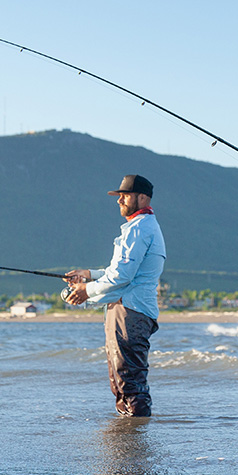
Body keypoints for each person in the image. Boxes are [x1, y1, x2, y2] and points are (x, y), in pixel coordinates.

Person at [64, 174, 167, 417]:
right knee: (122, 380)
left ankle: (133, 444)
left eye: (125, 195)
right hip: (127, 311)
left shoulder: (140, 228)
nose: (119, 200)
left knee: (129, 382)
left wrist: (85, 291)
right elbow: (119, 272)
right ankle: (128, 438)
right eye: (118, 195)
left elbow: (122, 276)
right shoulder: (140, 226)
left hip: (130, 312)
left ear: (142, 198)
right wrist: (89, 275)